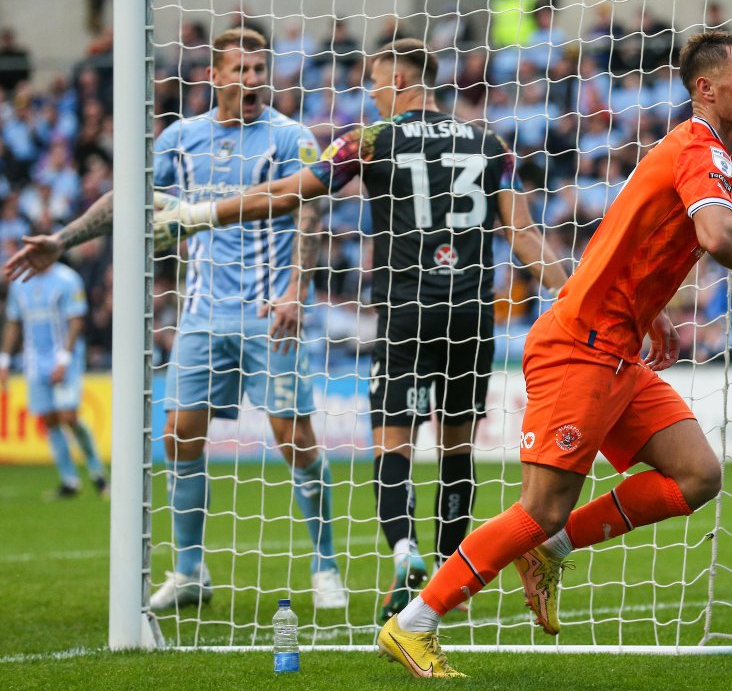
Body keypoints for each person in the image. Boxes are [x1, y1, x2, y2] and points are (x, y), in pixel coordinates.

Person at [367, 30, 732, 677]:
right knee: (538, 505)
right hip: (581, 345)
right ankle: (415, 623)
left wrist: (648, 311)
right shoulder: (700, 148)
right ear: (705, 89)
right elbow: (715, 234)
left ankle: (554, 545)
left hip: (617, 343)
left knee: (697, 476)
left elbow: (634, 237)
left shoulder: (697, 152)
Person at [151, 37, 570, 624]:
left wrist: (202, 213)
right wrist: (574, 293)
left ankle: (404, 553)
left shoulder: (370, 141)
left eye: (375, 82)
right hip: (472, 313)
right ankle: (451, 570)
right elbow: (523, 233)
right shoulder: (488, 142)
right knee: (455, 447)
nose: (370, 93)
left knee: (393, 444)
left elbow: (286, 193)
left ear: (400, 82)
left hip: (404, 310)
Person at [4, 27, 348, 612]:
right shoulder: (181, 138)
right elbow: (126, 197)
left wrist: (297, 291)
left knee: (295, 437)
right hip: (200, 313)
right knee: (178, 435)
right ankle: (190, 571)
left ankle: (326, 565)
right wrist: (61, 241)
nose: (253, 80)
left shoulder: (290, 136)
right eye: (240, 70)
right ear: (214, 77)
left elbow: (309, 213)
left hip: (270, 312)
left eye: (260, 69)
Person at [0, 261, 108, 499]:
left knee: (69, 416)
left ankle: (98, 474)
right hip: (35, 361)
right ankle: (69, 481)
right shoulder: (20, 282)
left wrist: (64, 358)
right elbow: (13, 321)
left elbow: (77, 320)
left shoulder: (67, 279)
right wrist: (4, 361)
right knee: (49, 419)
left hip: (65, 359)